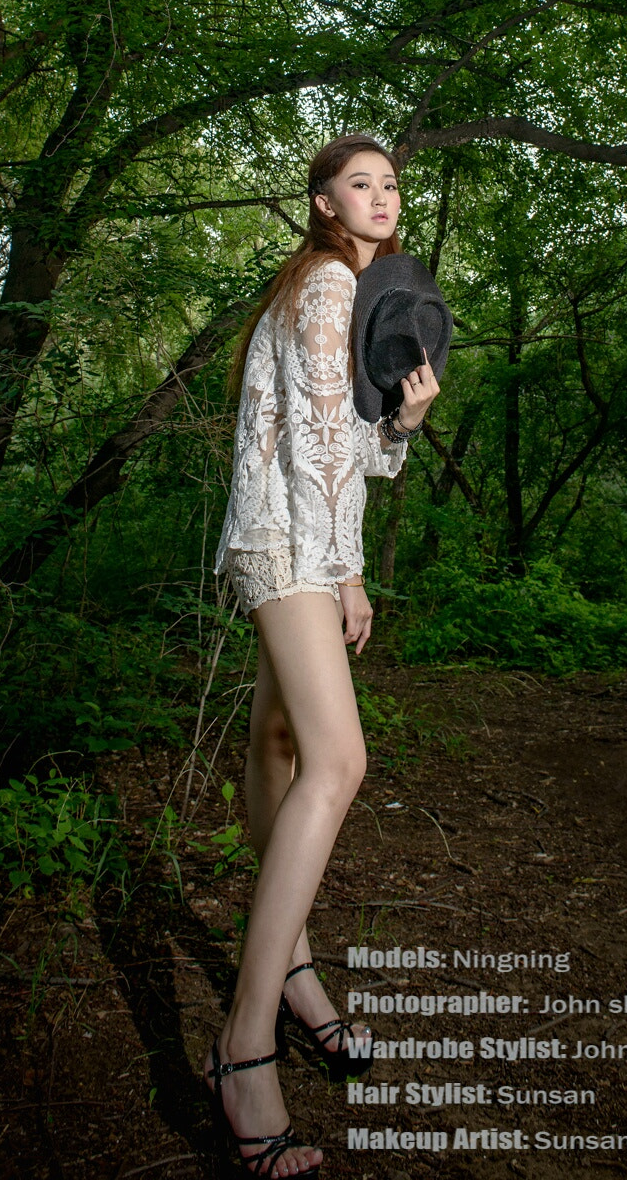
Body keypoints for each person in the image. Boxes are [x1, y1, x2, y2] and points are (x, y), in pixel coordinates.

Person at [206, 135, 441, 1176]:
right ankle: (243, 1041)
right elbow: (314, 455)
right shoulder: (325, 289)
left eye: (391, 182)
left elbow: (355, 447)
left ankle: (296, 974)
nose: (383, 195)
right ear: (322, 199)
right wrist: (347, 572)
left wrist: (408, 422)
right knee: (339, 762)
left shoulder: (341, 284)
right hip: (292, 543)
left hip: (283, 535)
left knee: (279, 742)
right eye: (362, 182)